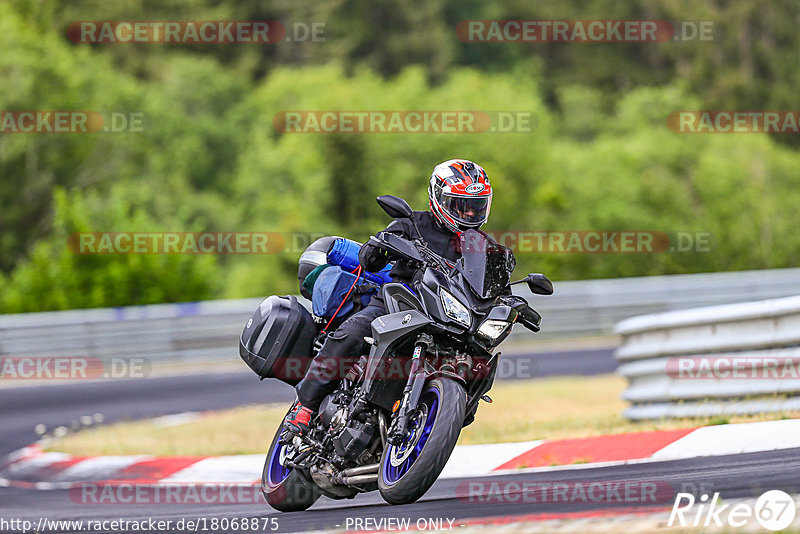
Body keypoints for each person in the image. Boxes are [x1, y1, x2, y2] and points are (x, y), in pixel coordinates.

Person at [284, 159, 494, 434]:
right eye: (460, 205)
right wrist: (379, 246)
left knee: (478, 361)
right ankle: (306, 405)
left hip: (446, 315)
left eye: (475, 206)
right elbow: (369, 258)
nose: (468, 213)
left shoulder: (482, 246)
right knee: (353, 331)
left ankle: (437, 416)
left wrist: (509, 299)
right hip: (398, 302)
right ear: (438, 197)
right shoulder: (413, 222)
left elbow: (489, 285)